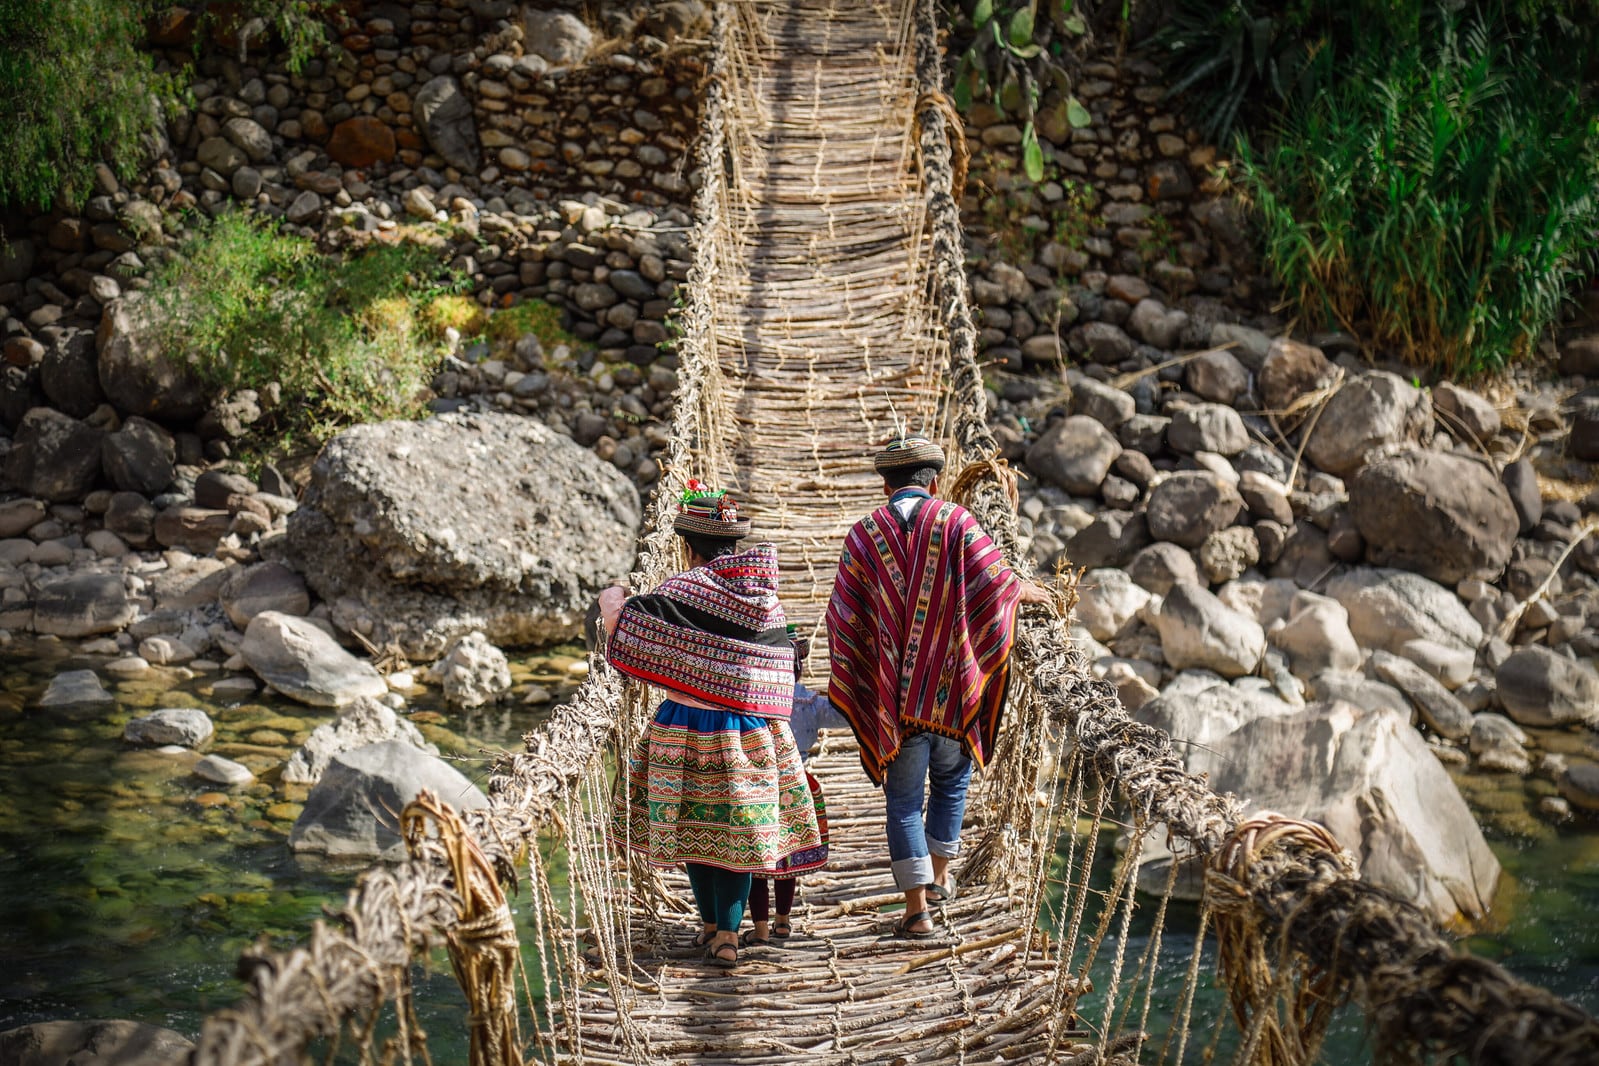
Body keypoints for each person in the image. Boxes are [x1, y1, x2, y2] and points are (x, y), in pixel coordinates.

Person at [824, 437, 1050, 940]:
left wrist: (869, 672)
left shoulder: (862, 535)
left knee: (903, 804)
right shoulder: (957, 521)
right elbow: (995, 582)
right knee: (953, 782)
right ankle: (941, 878)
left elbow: (842, 617)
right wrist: (1025, 590)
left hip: (894, 706)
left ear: (885, 485)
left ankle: (916, 910)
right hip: (951, 695)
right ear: (935, 482)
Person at [601, 480, 823, 969]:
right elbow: (778, 661)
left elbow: (628, 630)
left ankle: (711, 926)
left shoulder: (678, 591)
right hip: (751, 734)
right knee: (739, 834)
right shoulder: (765, 597)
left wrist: (613, 596)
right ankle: (726, 933)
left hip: (684, 728)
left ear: (685, 545)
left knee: (692, 829)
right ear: (734, 542)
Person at [741, 632, 844, 947]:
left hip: (757, 786)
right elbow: (845, 716)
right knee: (790, 856)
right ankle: (783, 923)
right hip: (797, 787)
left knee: (757, 860)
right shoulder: (809, 703)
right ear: (798, 667)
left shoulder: (749, 698)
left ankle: (759, 928)